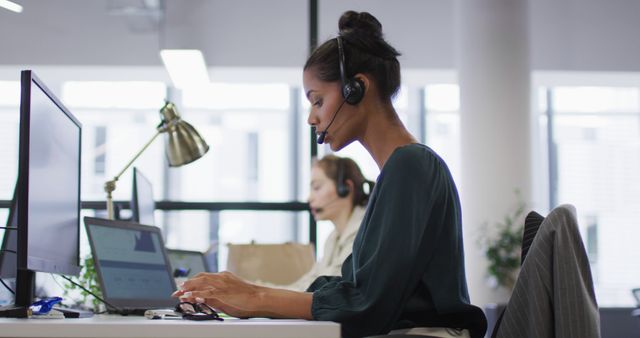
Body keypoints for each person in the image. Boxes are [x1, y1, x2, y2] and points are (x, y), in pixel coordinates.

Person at [173, 10, 487, 338]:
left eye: (318, 101)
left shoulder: (411, 165)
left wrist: (256, 298)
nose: (312, 118)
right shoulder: (398, 171)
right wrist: (246, 289)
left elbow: (367, 305)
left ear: (357, 88)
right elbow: (354, 288)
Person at [258, 155, 370, 291]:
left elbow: (324, 289)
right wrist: (254, 288)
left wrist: (258, 292)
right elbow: (306, 284)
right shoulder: (333, 238)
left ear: (345, 188)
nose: (309, 198)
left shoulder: (363, 234)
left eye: (317, 188)